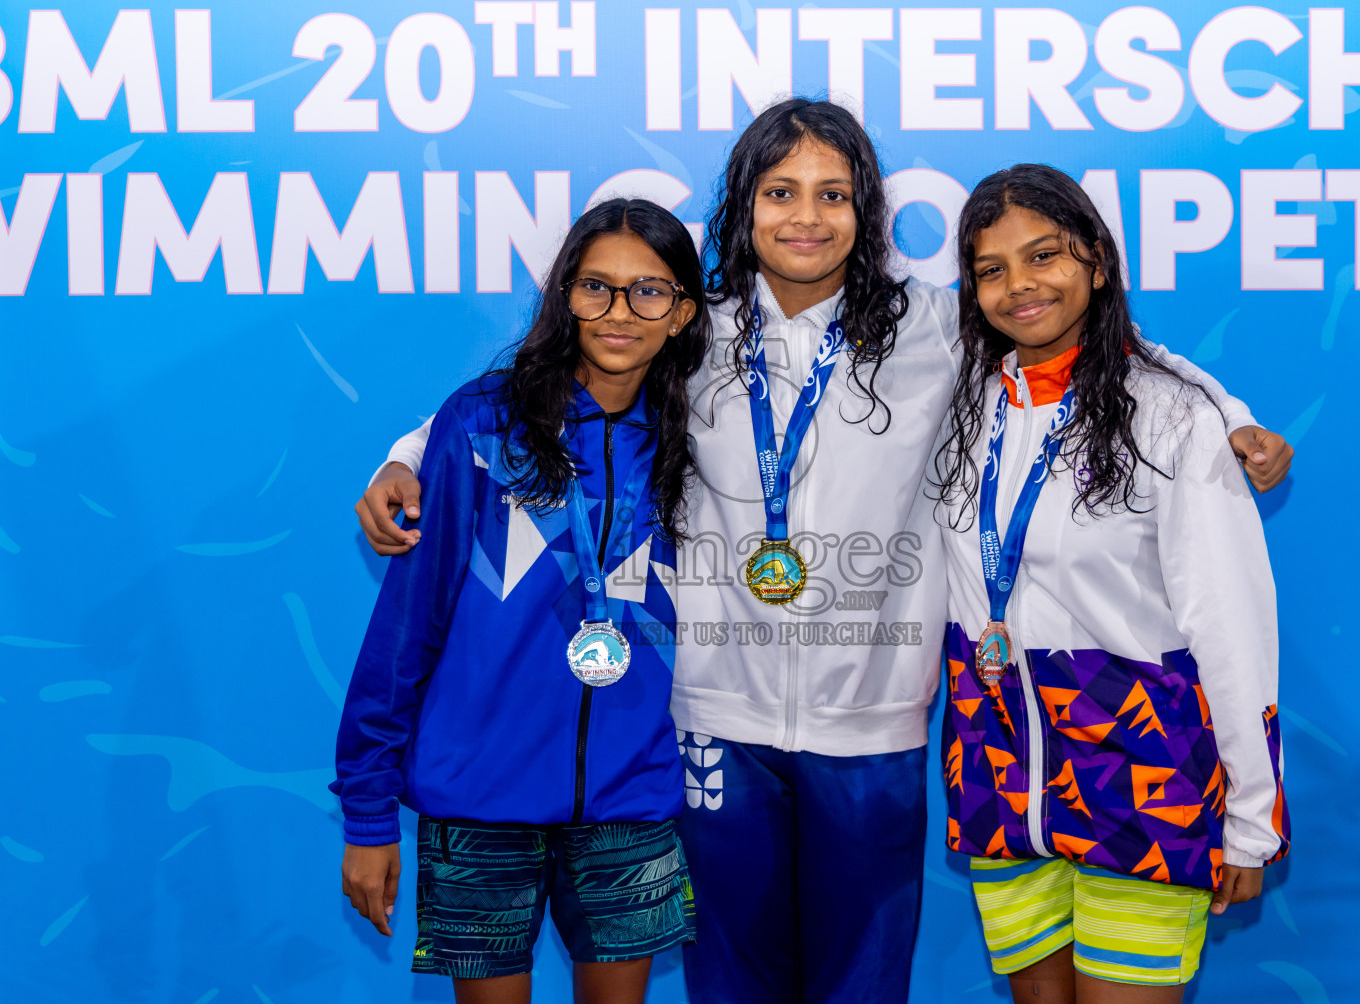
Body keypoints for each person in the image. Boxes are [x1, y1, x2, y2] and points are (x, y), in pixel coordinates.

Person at [354, 100, 1293, 1004]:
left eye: (833, 193)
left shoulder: (938, 327)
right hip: (715, 723)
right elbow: (547, 382)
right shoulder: (692, 327)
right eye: (780, 190)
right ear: (744, 206)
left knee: (861, 986)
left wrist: (1232, 417)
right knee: (732, 987)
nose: (806, 215)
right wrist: (406, 457)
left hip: (873, 727)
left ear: (866, 210)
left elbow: (1101, 347)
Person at [331, 198, 708, 1004]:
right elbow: (406, 629)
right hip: (477, 800)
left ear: (681, 313)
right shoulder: (483, 426)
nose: (618, 312)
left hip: (629, 801)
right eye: (596, 287)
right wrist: (367, 812)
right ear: (564, 295)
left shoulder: (704, 438)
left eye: (649, 292)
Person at [936, 164, 1289, 1002]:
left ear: (1097, 259)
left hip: (1141, 771)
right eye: (992, 269)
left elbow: (1233, 628)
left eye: (1046, 256)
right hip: (997, 765)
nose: (1021, 286)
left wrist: (1250, 816)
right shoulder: (962, 403)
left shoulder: (1170, 417)